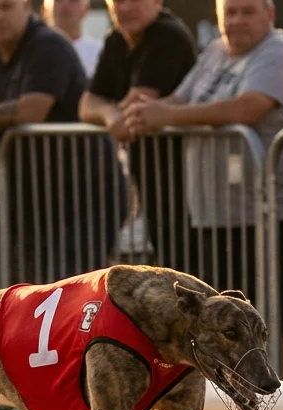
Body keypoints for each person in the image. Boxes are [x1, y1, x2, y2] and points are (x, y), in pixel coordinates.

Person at [124, 0, 283, 366]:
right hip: (216, 215)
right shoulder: (214, 51)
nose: (237, 21)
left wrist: (166, 115)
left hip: (272, 215)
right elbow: (177, 100)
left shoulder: (279, 51)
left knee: (278, 320)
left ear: (269, 15)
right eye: (230, 13)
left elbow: (247, 108)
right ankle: (241, 408)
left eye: (247, 11)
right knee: (227, 323)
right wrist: (144, 112)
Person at [0, 0, 122, 286]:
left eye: (6, 7)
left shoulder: (49, 44)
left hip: (84, 198)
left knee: (74, 293)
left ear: (27, 8)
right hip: (31, 201)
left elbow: (31, 110)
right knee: (33, 293)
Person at [79, 0, 198, 266]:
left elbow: (139, 102)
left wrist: (111, 111)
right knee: (166, 256)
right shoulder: (115, 39)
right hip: (150, 172)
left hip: (185, 178)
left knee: (187, 260)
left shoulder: (167, 35)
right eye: (118, 1)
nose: (126, 8)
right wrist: (111, 116)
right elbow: (86, 105)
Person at [46, 0, 102, 77]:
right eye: (58, 0)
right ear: (45, 8)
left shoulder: (100, 53)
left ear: (85, 10)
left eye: (73, 1)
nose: (65, 5)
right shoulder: (33, 50)